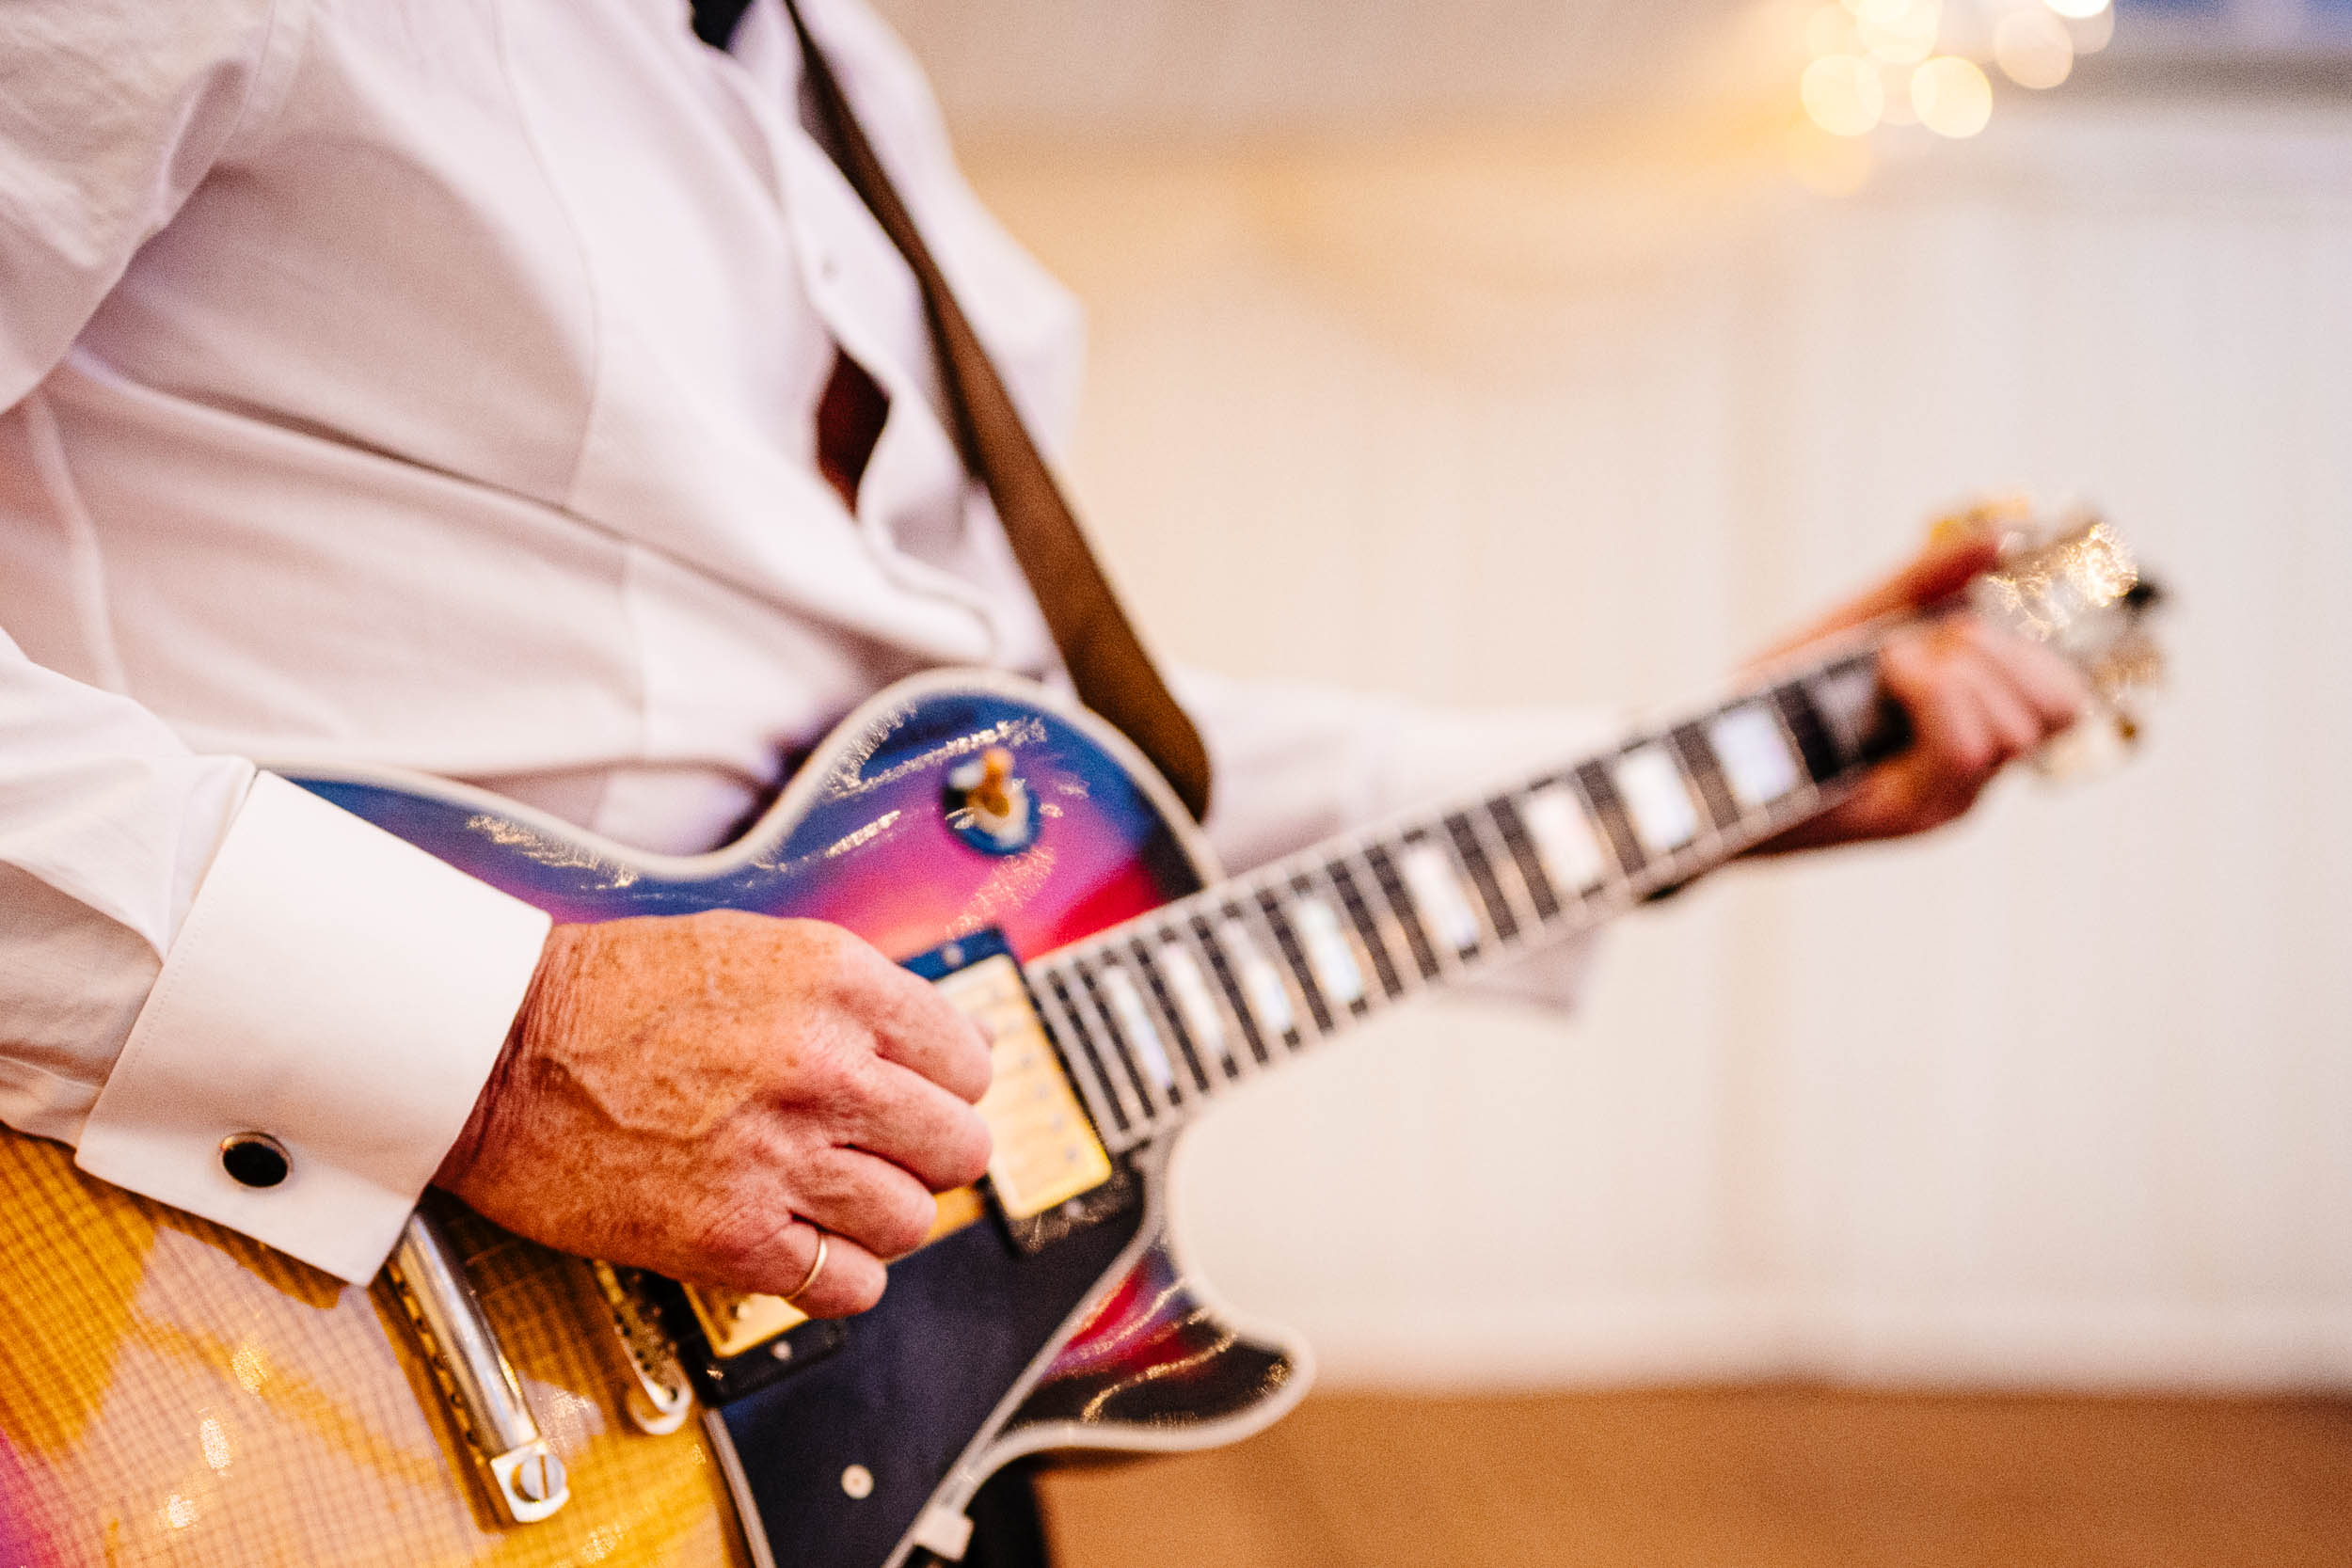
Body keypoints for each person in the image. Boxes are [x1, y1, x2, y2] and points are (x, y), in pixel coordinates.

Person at [0, 0, 2086, 1560]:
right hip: (296, 1295)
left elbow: (1062, 777)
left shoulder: (835, 74)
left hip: (877, 1358)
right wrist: (503, 1044)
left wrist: (1719, 776)